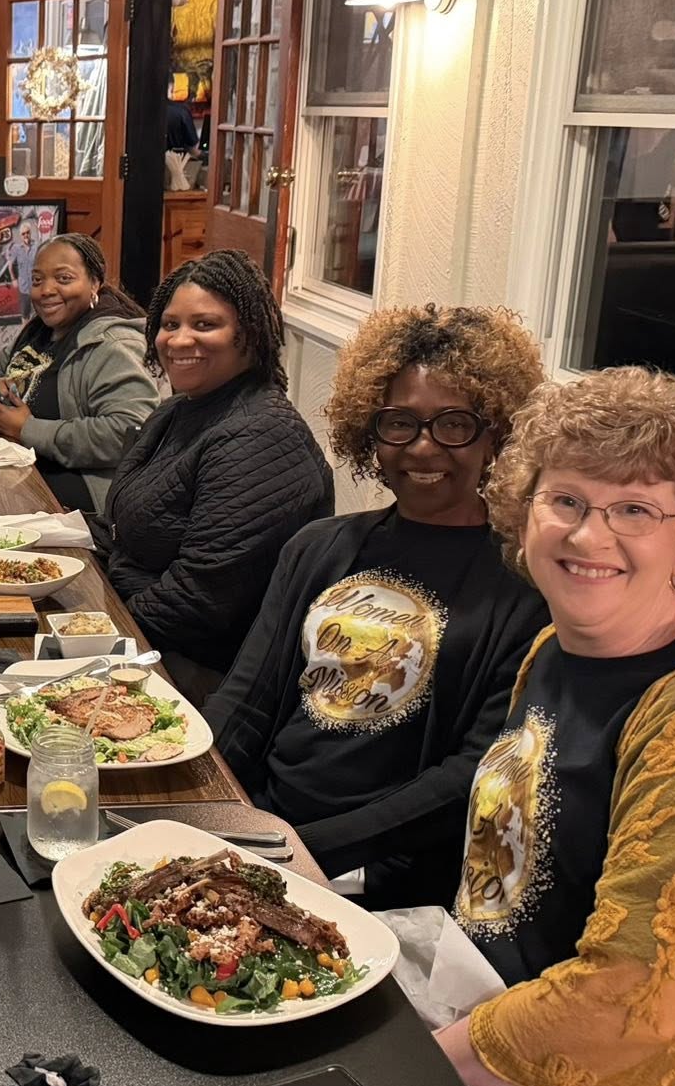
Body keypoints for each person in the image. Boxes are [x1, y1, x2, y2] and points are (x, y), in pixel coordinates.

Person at [164, 366, 675, 1086]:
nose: (590, 534)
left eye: (636, 510)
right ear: (523, 512)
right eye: (567, 500)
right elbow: (508, 876)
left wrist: (421, 1062)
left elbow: (631, 999)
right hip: (484, 1027)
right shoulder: (556, 652)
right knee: (203, 1081)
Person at [202, 305, 549, 905]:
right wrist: (195, 799)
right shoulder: (318, 547)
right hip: (260, 827)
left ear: (496, 434)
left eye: (455, 424)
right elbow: (246, 701)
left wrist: (303, 851)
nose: (423, 447)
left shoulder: (526, 590)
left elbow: (469, 775)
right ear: (370, 431)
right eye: (399, 423)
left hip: (381, 875)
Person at [97, 250, 332, 700]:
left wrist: (100, 626)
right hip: (143, 628)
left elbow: (197, 602)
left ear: (251, 333)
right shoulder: (179, 410)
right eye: (170, 324)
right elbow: (118, 526)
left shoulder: (261, 435)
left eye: (205, 325)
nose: (179, 340)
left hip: (205, 673)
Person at [0, 232, 157, 513]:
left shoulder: (113, 345)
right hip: (14, 466)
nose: (46, 290)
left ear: (94, 283)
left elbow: (129, 432)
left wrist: (28, 429)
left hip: (78, 499)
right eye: (37, 280)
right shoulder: (38, 331)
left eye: (64, 278)